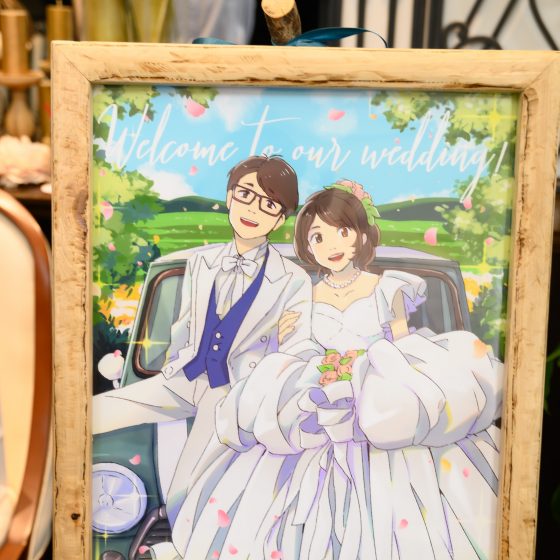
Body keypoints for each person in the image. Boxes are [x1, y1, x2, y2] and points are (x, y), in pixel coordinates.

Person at [175, 181, 503, 559]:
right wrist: (298, 353)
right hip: (319, 408)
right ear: (308, 245)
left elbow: (402, 348)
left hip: (378, 406)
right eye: (318, 237)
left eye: (342, 232)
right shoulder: (303, 294)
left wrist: (372, 371)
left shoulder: (388, 288)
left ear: (360, 235)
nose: (331, 245)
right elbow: (298, 350)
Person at [93, 155, 319, 560]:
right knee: (90, 413)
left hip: (233, 391)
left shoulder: (293, 279)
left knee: (187, 480)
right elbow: (186, 326)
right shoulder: (200, 262)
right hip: (184, 377)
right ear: (230, 197)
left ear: (280, 218)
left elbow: (297, 351)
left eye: (268, 203)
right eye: (246, 194)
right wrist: (175, 364)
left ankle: (181, 548)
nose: (253, 209)